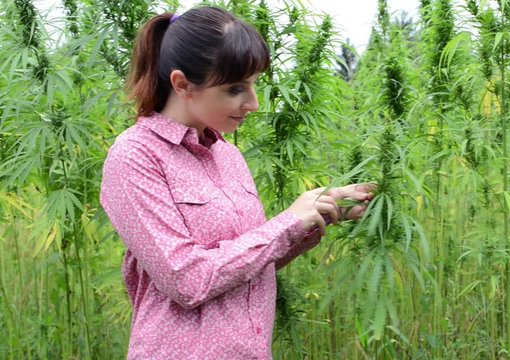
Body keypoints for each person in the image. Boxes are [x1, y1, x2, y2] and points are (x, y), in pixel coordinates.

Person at [99, 6, 374, 360]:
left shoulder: (228, 156)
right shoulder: (135, 157)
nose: (254, 104)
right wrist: (287, 223)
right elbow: (187, 280)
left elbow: (246, 264)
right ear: (182, 84)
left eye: (254, 85)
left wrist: (317, 213)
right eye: (235, 89)